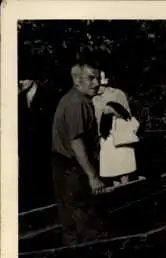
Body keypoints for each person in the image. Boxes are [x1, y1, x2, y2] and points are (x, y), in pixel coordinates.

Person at [51, 60, 105, 245]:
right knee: (84, 218)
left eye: (97, 78)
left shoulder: (77, 100)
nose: (96, 83)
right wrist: (92, 176)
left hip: (65, 166)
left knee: (70, 220)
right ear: (76, 81)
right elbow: (77, 142)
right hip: (72, 168)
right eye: (90, 79)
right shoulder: (76, 104)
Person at [18, 64, 59, 211]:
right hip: (26, 150)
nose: (20, 82)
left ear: (32, 79)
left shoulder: (48, 96)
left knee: (45, 183)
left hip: (45, 148)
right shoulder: (18, 99)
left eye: (23, 78)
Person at [93, 72, 139, 185]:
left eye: (100, 85)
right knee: (112, 170)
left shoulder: (117, 93)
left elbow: (128, 115)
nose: (98, 88)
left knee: (124, 169)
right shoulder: (94, 99)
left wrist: (114, 111)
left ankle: (125, 193)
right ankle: (118, 195)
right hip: (105, 137)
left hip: (120, 134)